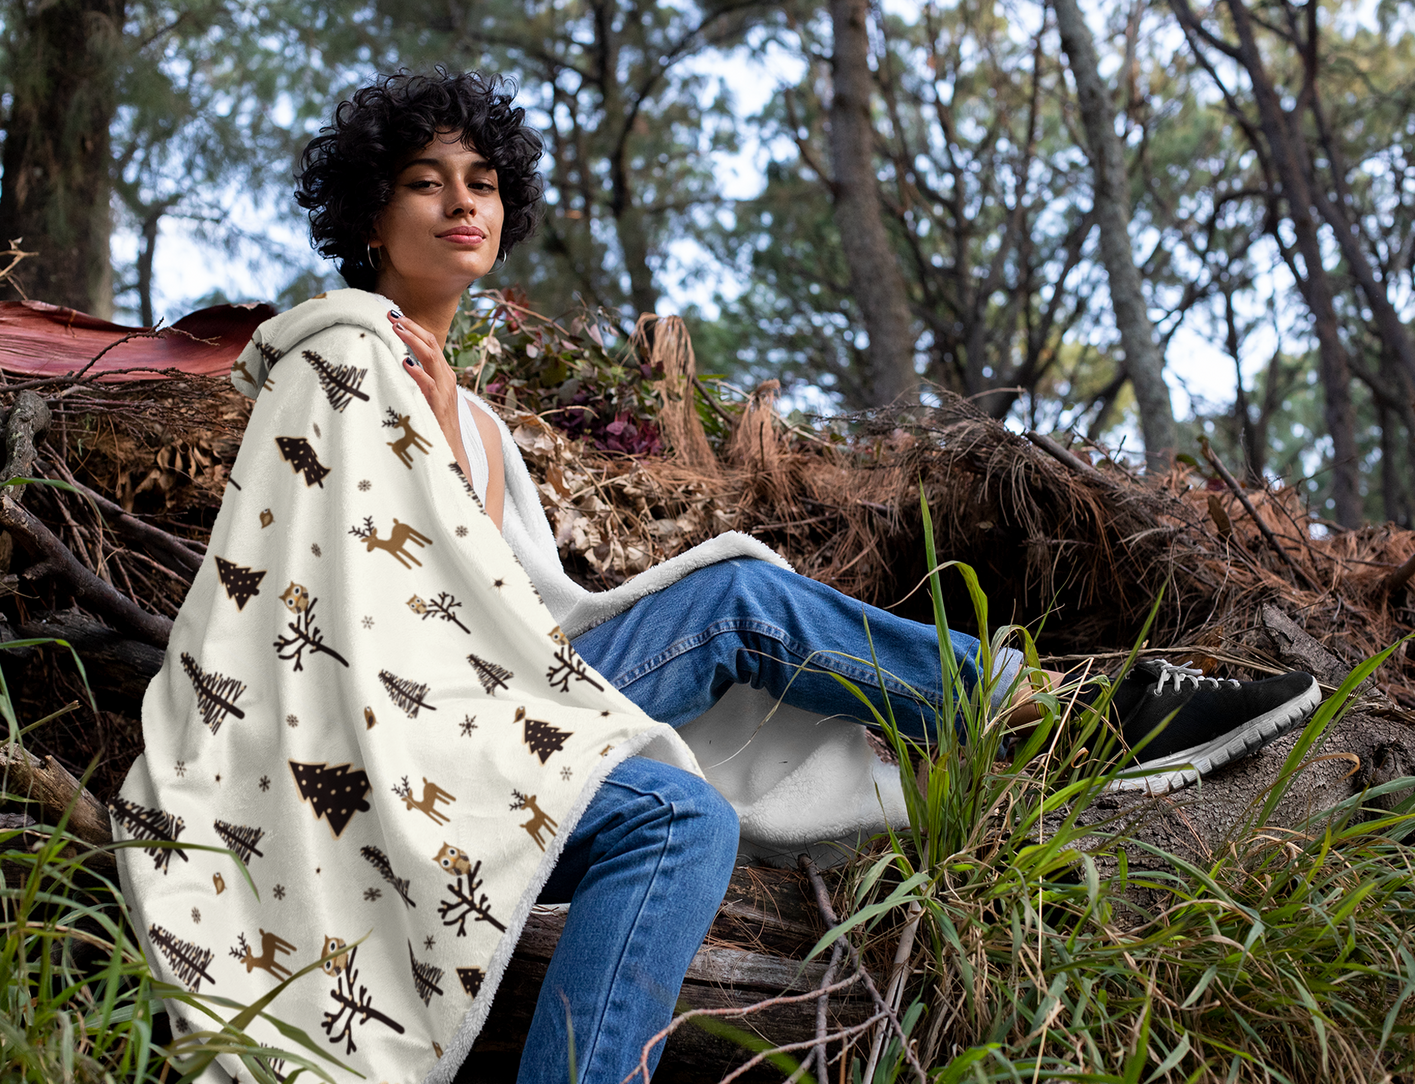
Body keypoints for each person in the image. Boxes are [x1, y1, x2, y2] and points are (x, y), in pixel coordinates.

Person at [289, 68, 1322, 1082]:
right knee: (732, 606)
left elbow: (521, 612)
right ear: (370, 218)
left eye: (483, 178)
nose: (463, 199)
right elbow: (334, 594)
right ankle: (1064, 716)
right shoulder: (341, 356)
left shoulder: (464, 407)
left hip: (512, 724)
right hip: (424, 736)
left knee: (682, 815)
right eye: (427, 179)